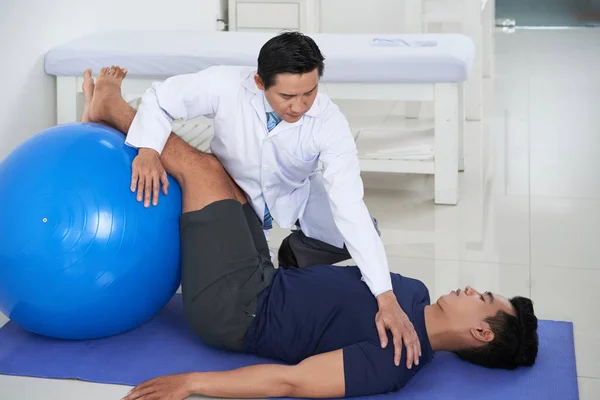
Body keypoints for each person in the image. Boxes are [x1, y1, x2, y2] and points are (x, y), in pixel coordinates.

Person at [81, 67, 539, 400]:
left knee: (199, 169)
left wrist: (192, 382)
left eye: (483, 298)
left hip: (237, 311)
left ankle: (111, 110)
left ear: (480, 332)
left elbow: (293, 381)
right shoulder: (412, 292)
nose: (471, 289)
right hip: (263, 274)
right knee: (227, 172)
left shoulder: (397, 359)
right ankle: (114, 124)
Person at [89, 31, 422, 368]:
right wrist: (148, 151)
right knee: (202, 169)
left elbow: (350, 205)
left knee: (363, 232)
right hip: (234, 186)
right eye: (288, 96)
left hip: (291, 197)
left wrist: (385, 294)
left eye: (310, 92)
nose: (300, 106)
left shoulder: (329, 122)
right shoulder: (225, 84)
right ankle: (109, 105)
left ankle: (296, 254)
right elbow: (161, 97)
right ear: (260, 82)